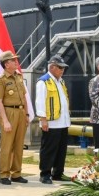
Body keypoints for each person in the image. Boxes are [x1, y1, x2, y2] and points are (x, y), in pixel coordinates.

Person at [0, 51, 30, 185]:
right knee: (7, 146)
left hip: (20, 112)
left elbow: (24, 98)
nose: (16, 62)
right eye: (13, 60)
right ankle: (4, 174)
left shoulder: (19, 77)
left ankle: (16, 173)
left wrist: (26, 114)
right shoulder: (1, 80)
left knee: (19, 145)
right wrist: (5, 120)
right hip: (9, 112)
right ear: (6, 64)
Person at [35, 55, 71, 184]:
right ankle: (45, 174)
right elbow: (40, 102)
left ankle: (58, 173)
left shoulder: (61, 81)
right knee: (49, 149)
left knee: (61, 149)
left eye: (63, 68)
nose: (62, 70)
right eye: (60, 68)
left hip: (63, 121)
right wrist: (43, 119)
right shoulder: (43, 81)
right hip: (51, 122)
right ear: (52, 67)